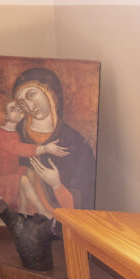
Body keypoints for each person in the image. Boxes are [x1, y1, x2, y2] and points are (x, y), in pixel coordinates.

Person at [11, 67, 96, 213]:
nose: (29, 106)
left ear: (49, 92)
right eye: (22, 103)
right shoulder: (14, 135)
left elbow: (84, 202)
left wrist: (57, 185)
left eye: (31, 95)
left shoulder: (75, 142)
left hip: (58, 221)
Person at [0, 99, 69, 215]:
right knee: (23, 180)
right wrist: (44, 148)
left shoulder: (15, 134)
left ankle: (23, 209)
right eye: (13, 109)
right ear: (6, 116)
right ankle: (42, 210)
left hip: (4, 175)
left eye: (19, 107)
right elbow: (18, 148)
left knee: (30, 172)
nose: (18, 110)